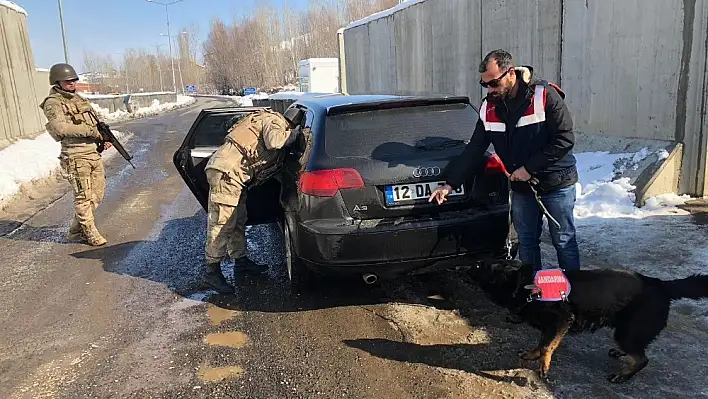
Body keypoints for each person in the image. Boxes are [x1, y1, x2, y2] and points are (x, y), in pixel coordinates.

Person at [429, 49, 580, 272]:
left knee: (563, 240)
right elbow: (474, 149)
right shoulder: (488, 107)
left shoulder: (544, 95)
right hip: (522, 188)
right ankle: (532, 292)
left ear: (510, 73)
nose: (490, 89)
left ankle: (573, 294)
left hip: (556, 182)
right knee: (527, 242)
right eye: (485, 84)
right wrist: (450, 184)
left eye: (494, 83)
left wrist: (529, 168)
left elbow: (565, 139)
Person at [201, 107, 304, 294]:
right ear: (292, 123)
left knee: (238, 220)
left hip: (233, 173)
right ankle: (212, 271)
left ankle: (241, 262)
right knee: (223, 223)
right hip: (228, 172)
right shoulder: (275, 121)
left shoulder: (264, 119)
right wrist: (294, 136)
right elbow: (274, 141)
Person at [40, 63, 111, 247]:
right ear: (57, 81)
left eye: (74, 80)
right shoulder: (53, 103)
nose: (72, 83)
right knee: (83, 196)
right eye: (68, 81)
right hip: (75, 155)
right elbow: (60, 128)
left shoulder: (79, 99)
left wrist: (103, 137)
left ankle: (74, 230)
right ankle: (90, 233)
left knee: (97, 194)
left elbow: (95, 122)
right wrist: (90, 131)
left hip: (92, 153)